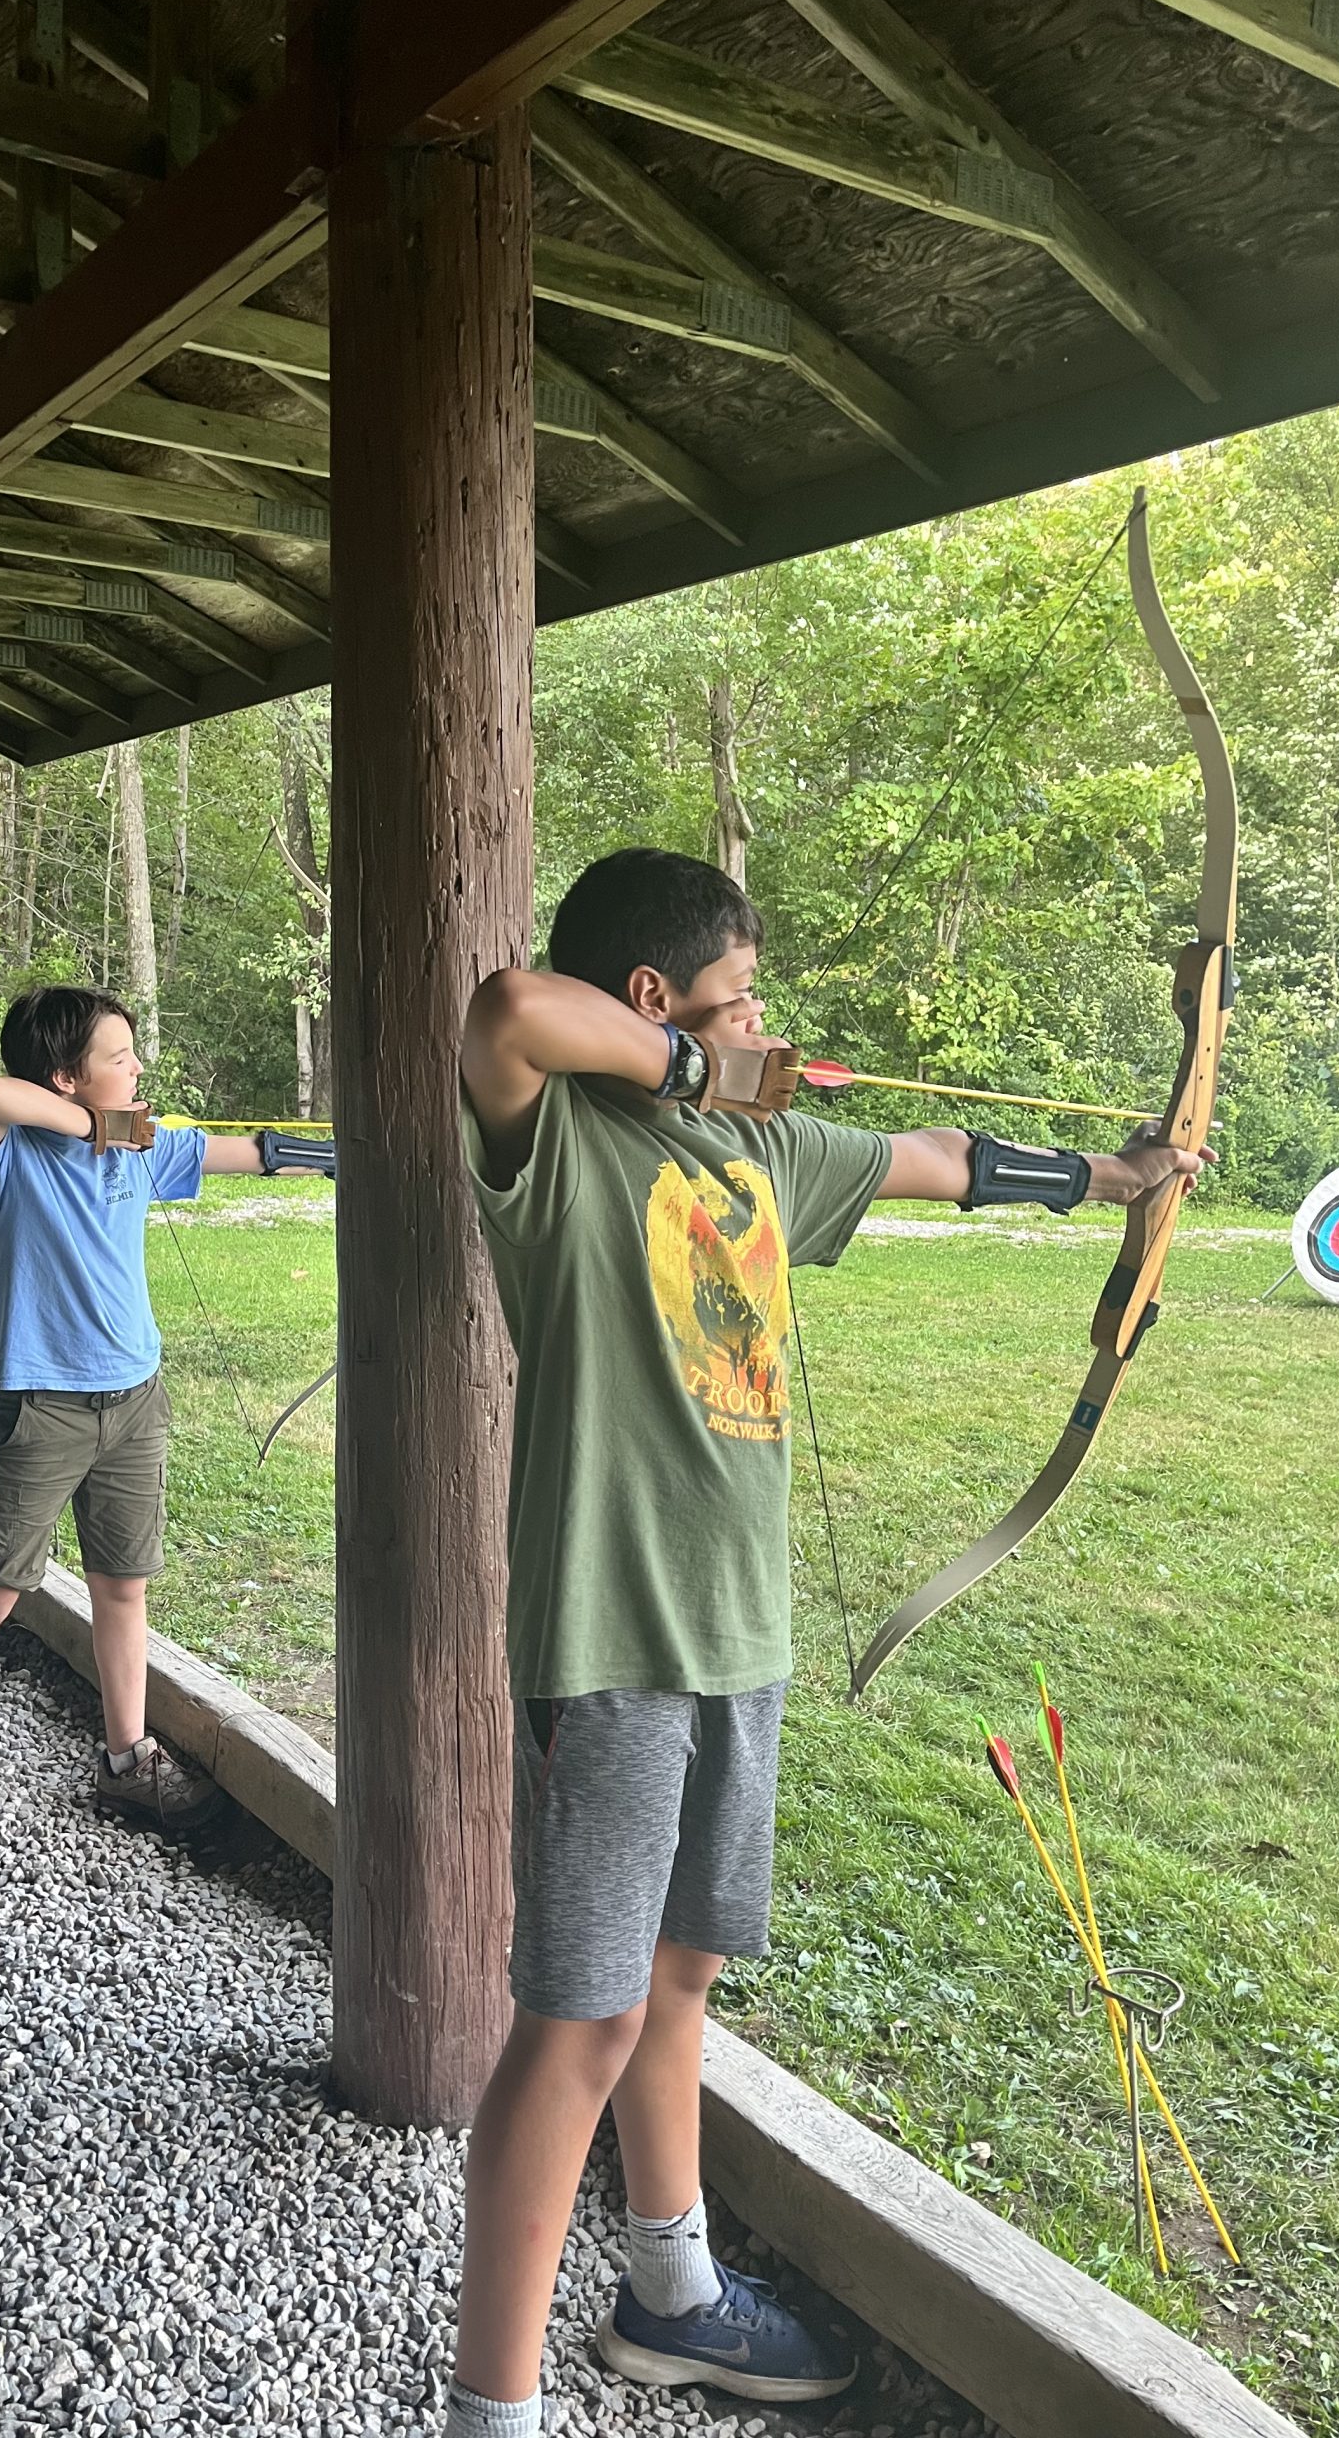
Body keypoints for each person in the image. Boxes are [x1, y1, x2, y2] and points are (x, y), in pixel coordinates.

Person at [447, 848, 1204, 2432]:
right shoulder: (565, 1142)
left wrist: (1117, 1182)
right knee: (578, 2021)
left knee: (678, 1985)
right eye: (737, 996)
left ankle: (673, 2298)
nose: (766, 1025)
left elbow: (931, 1153)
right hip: (615, 1640)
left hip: (743, 1639)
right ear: (656, 1003)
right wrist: (681, 1064)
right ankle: (489, 2411)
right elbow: (510, 1006)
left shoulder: (767, 1156)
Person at [0, 984, 334, 1877]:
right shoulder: (14, 1162)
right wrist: (95, 1128)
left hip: (135, 1401)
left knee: (124, 1589)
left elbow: (255, 1152)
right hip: (44, 1407)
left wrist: (340, 1154)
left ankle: (127, 1763)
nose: (137, 1069)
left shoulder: (145, 1154)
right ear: (64, 1077)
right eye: (117, 1058)